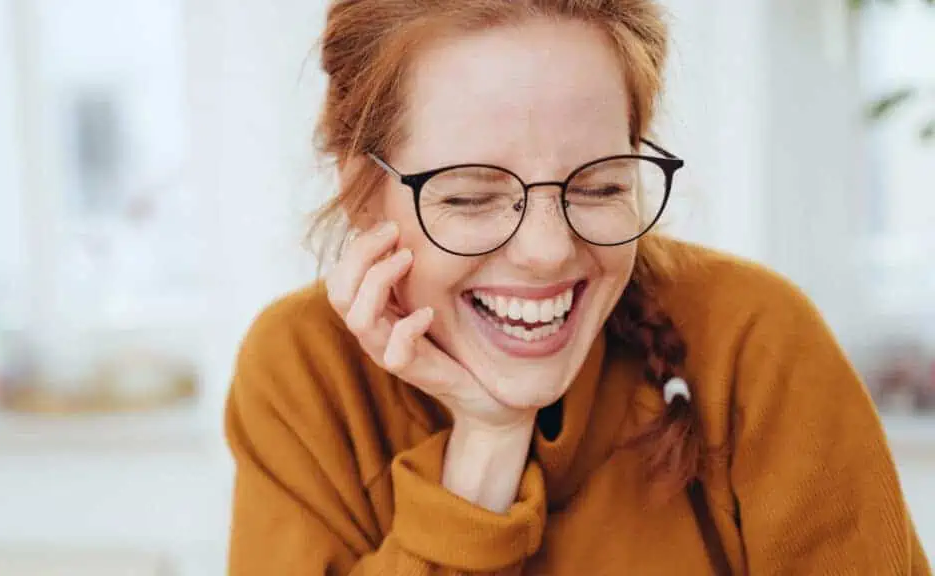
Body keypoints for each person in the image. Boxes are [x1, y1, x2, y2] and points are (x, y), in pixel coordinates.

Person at [224, 1, 932, 574]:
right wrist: (488, 444)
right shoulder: (303, 372)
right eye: (471, 197)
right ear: (361, 193)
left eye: (598, 186)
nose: (547, 251)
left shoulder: (756, 337)